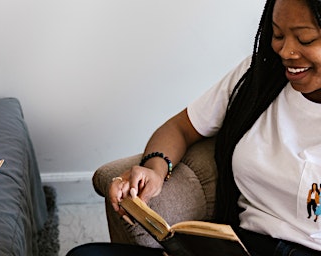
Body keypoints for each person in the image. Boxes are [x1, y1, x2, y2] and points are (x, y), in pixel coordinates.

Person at [68, 0, 321, 255]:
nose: (286, 51)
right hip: (240, 246)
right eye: (278, 34)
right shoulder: (259, 77)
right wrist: (154, 170)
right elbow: (180, 128)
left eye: (305, 39)